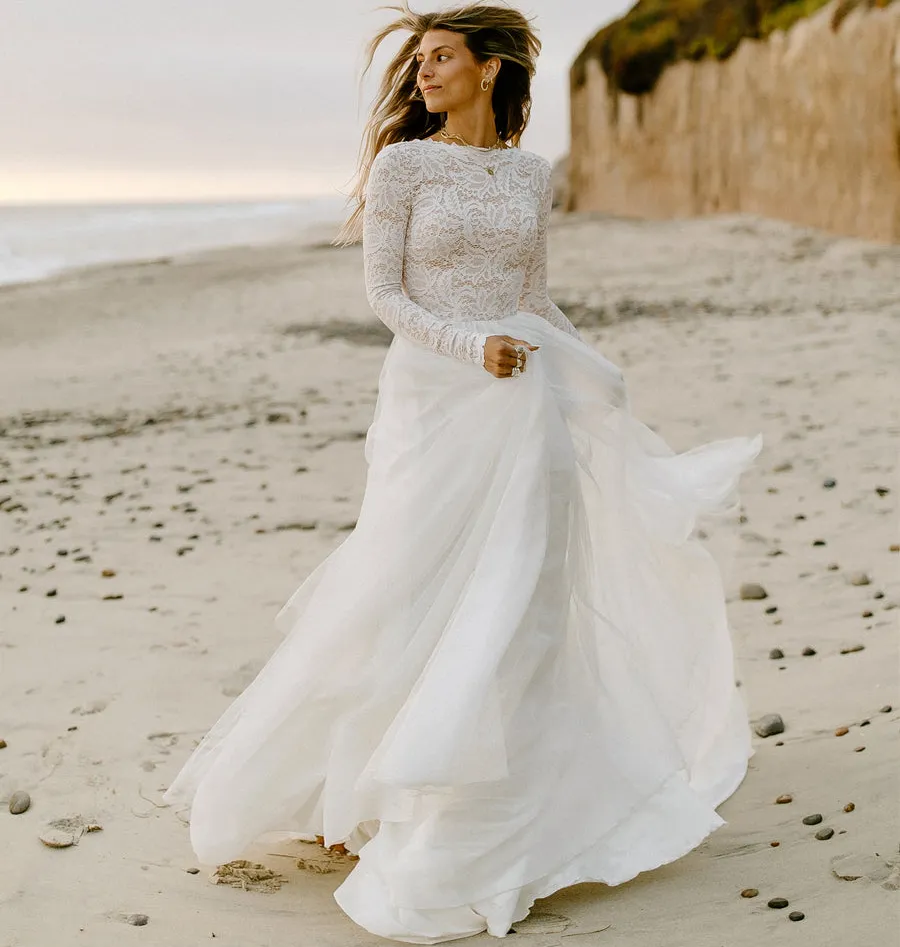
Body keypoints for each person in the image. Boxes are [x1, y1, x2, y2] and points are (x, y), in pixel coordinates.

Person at [161, 2, 764, 943]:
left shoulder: (531, 175)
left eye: (441, 58)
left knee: (526, 591)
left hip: (525, 402)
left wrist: (589, 365)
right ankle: (367, 792)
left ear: (490, 70)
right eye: (419, 62)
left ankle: (516, 798)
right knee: (404, 590)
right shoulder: (404, 165)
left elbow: (532, 296)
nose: (424, 74)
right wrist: (468, 342)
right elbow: (385, 293)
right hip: (432, 404)